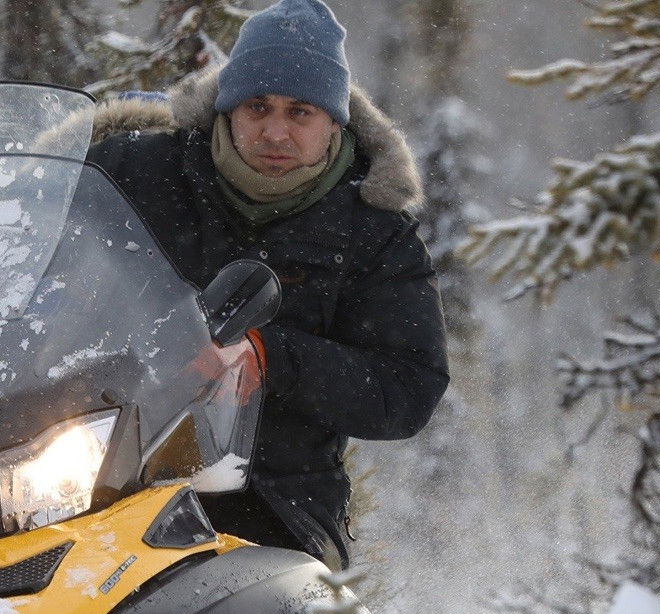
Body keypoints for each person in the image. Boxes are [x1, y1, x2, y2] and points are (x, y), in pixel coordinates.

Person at [86, 0, 448, 569]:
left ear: (335, 120)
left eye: (300, 112)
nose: (275, 132)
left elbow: (407, 390)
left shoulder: (373, 232)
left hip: (281, 503)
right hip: (97, 473)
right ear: (227, 108)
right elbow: (32, 249)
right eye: (258, 107)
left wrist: (273, 358)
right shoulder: (136, 171)